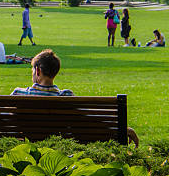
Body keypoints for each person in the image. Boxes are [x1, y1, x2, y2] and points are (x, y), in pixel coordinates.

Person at [12, 49, 140, 147]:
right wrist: (122, 129)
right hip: (59, 150)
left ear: (38, 71)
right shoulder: (67, 97)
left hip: (27, 150)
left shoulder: (18, 94)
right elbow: (89, 121)